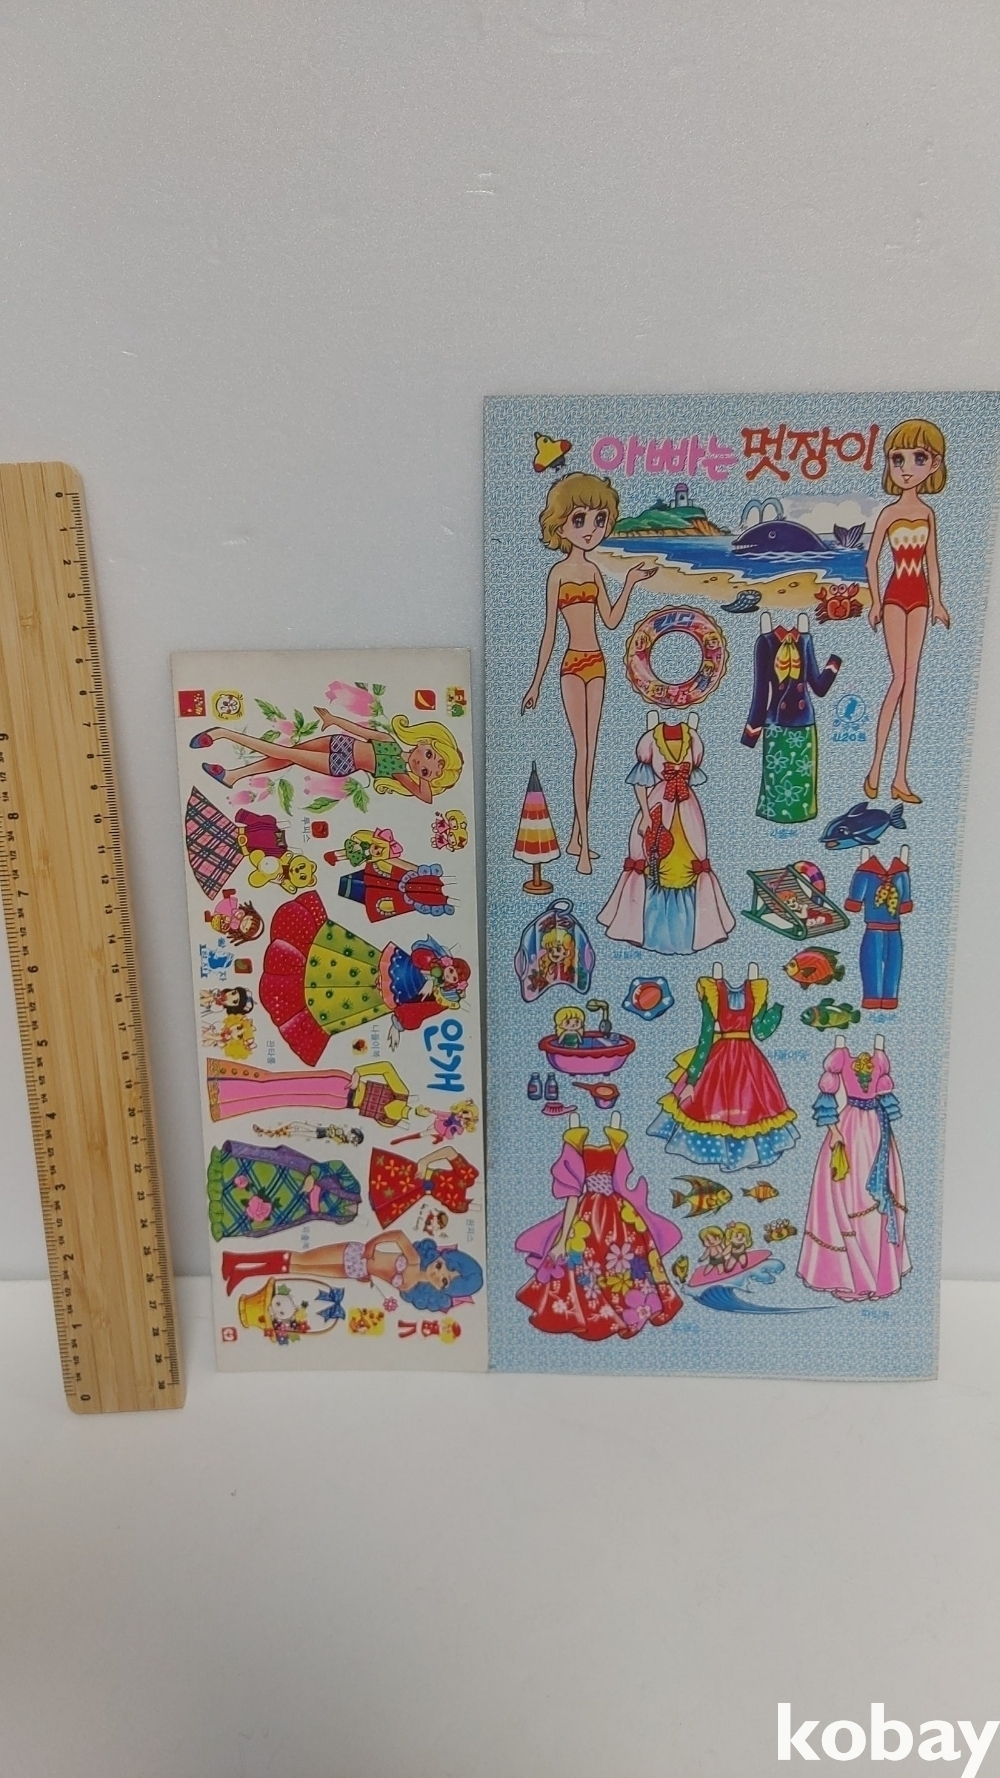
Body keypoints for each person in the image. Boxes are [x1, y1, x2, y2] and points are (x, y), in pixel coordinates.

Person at [522, 472, 655, 873]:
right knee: (581, 752)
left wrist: (629, 583)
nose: (590, 529)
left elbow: (611, 621)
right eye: (579, 520)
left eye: (599, 520)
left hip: (597, 662)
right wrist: (535, 684)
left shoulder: (595, 572)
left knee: (590, 753)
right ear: (561, 525)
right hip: (571, 665)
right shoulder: (558, 574)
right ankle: (582, 846)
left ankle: (578, 836)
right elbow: (549, 631)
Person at [864, 419, 950, 805]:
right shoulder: (888, 513)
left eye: (918, 458)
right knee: (899, 679)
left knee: (911, 682)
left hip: (920, 600)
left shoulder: (928, 513)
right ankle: (875, 768)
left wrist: (939, 601)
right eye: (897, 459)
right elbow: (872, 561)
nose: (906, 468)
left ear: (934, 464)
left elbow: (932, 562)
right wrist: (875, 601)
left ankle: (899, 776)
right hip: (895, 598)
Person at [191, 711, 463, 804]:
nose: (422, 763)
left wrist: (425, 779)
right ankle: (233, 776)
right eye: (429, 755)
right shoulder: (389, 740)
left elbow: (426, 798)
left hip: (342, 763)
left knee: (285, 753)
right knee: (288, 757)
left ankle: (222, 733)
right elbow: (360, 731)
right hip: (341, 742)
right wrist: (334, 720)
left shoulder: (400, 774)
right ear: (424, 742)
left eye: (426, 770)